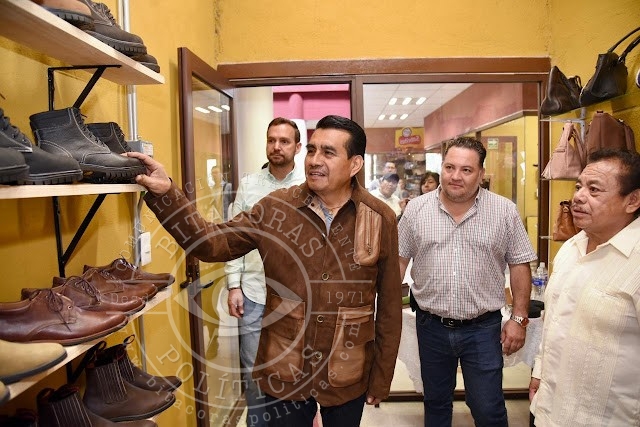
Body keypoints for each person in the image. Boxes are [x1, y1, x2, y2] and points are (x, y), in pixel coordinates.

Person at [126, 115, 402, 427]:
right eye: (312, 150)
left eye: (328, 152)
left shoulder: (380, 218)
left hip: (347, 370)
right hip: (285, 368)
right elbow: (211, 243)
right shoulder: (276, 208)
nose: (315, 160)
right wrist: (167, 194)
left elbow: (389, 306)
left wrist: (381, 377)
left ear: (355, 164)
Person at [398, 136, 537, 427]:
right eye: (449, 167)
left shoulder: (504, 211)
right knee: (436, 404)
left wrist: (519, 318)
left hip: (483, 329)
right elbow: (398, 263)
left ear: (481, 173)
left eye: (466, 170)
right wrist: (384, 313)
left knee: (488, 408)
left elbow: (520, 264)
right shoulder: (416, 209)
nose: (455, 176)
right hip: (431, 326)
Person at [529, 149, 640, 426]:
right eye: (578, 186)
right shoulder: (571, 247)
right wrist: (540, 371)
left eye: (594, 190)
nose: (578, 196)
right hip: (549, 410)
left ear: (633, 200)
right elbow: (554, 320)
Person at [225, 117, 305, 427]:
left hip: (299, 297)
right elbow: (233, 238)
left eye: (284, 141)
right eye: (272, 140)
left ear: (297, 147)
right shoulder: (249, 185)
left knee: (295, 368)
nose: (276, 146)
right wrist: (234, 285)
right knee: (254, 371)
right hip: (255, 294)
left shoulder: (310, 183)